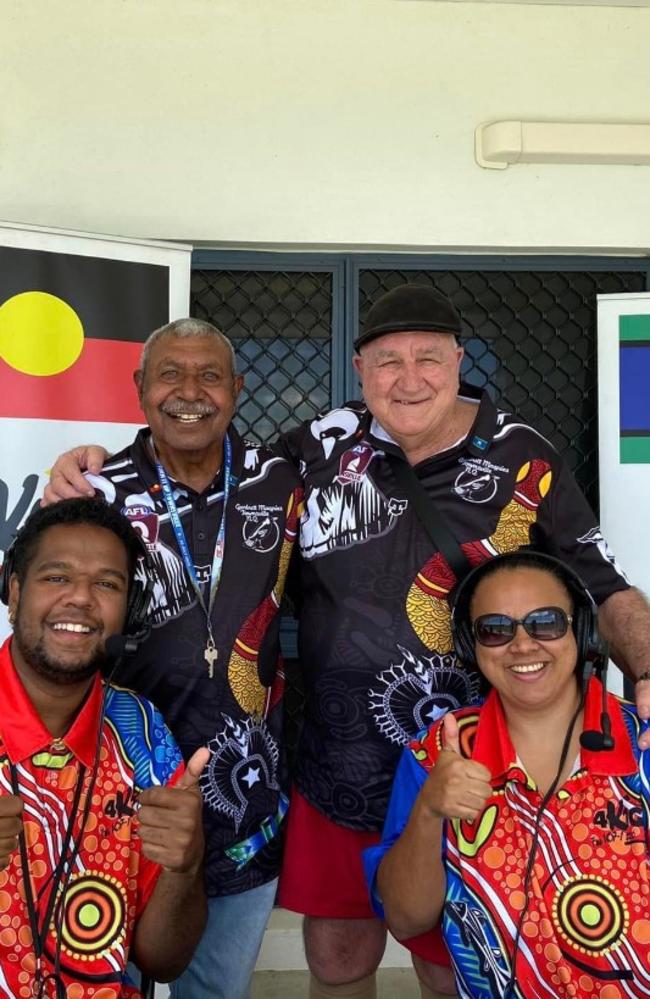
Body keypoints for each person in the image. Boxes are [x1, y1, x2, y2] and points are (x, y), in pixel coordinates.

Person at [43, 286, 650, 999]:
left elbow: (604, 586)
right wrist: (93, 468)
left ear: (460, 360)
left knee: (455, 957)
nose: (410, 377)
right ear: (360, 368)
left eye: (429, 356)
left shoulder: (522, 454)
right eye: (388, 360)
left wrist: (645, 666)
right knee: (337, 955)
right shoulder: (315, 448)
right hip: (337, 765)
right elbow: (208, 474)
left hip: (469, 766)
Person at [42, 318, 302, 999]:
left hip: (246, 812)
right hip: (113, 807)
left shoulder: (284, 484)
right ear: (139, 389)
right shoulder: (95, 493)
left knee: (214, 992)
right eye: (170, 374)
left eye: (210, 375)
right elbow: (43, 614)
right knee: (100, 986)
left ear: (239, 389)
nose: (190, 392)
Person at [365, 550, 649, 998]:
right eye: (496, 630)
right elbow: (406, 917)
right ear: (470, 646)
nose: (522, 645)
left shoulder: (643, 745)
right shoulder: (439, 751)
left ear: (583, 630)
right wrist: (428, 811)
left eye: (546, 622)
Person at [0, 497, 208, 997]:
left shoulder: (141, 730)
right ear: (14, 591)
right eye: (56, 577)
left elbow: (163, 959)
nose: (81, 598)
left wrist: (185, 865)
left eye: (107, 584)